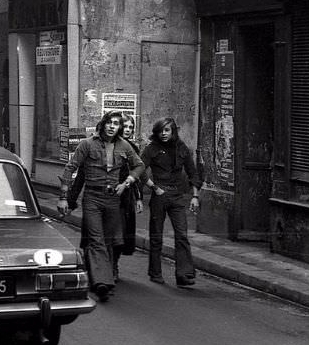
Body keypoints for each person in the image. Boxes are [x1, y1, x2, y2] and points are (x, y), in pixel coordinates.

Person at [57, 110, 145, 302]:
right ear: (103, 124)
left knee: (109, 241)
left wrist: (127, 182)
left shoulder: (124, 146)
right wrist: (64, 197)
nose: (113, 126)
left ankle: (102, 278)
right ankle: (102, 283)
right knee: (96, 239)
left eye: (116, 124)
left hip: (114, 198)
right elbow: (70, 168)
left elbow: (139, 166)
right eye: (110, 123)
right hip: (92, 198)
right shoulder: (87, 145)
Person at [141, 117, 202, 287]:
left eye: (167, 130)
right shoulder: (151, 149)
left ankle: (184, 274)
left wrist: (195, 197)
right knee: (156, 236)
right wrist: (153, 187)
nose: (164, 134)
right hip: (159, 195)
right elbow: (139, 170)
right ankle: (155, 273)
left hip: (177, 196)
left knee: (182, 234)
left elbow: (193, 173)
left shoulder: (182, 148)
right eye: (161, 131)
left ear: (173, 131)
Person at [111, 113, 144, 282]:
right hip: (109, 195)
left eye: (131, 127)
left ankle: (114, 264)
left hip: (126, 198)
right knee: (110, 233)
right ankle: (108, 266)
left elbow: (137, 173)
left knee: (122, 234)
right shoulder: (109, 145)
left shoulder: (134, 149)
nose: (128, 130)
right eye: (125, 127)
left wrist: (139, 198)